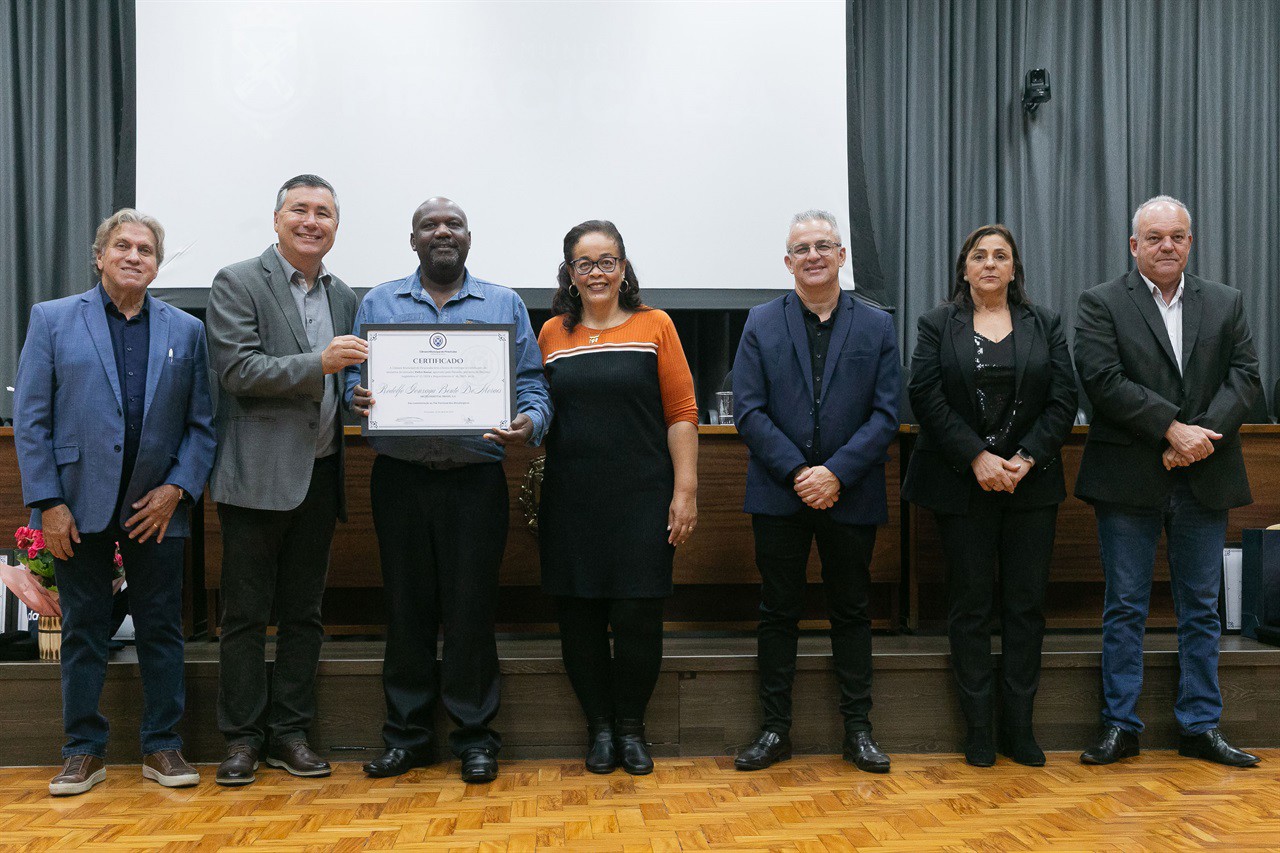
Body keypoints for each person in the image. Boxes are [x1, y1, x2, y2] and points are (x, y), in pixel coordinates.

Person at [348, 197, 552, 784]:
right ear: (413, 239)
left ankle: (475, 739)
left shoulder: (503, 303)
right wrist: (353, 400)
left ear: (469, 237)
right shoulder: (379, 303)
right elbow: (356, 387)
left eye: (453, 225)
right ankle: (407, 738)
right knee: (406, 611)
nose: (443, 232)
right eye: (430, 225)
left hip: (475, 481)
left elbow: (533, 384)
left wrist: (528, 423)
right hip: (400, 480)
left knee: (470, 611)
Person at [13, 209, 216, 795]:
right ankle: (82, 750)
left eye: (146, 249)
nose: (134, 256)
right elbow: (32, 421)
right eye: (122, 246)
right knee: (83, 629)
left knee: (160, 629)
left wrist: (176, 490)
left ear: (157, 264)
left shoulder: (186, 330)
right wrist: (48, 502)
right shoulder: (52, 320)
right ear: (99, 257)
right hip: (75, 508)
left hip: (157, 511)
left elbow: (202, 426)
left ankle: (163, 747)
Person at [1074, 195, 1262, 768]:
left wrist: (1196, 437)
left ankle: (1200, 725)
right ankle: (1119, 726)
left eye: (1177, 236)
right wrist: (1171, 431)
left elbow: (1245, 377)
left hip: (1205, 471)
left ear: (1191, 242)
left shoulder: (1225, 302)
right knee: (1125, 604)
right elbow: (1102, 380)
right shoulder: (1101, 303)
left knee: (1202, 606)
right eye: (1154, 237)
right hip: (1129, 475)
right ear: (1134, 246)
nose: (1167, 246)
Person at [205, 174, 365, 786]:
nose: (311, 221)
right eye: (299, 210)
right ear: (276, 220)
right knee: (245, 615)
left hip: (321, 475)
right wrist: (319, 364)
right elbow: (238, 370)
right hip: (255, 479)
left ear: (334, 227)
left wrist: (366, 397)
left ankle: (290, 733)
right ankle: (241, 739)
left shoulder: (345, 295)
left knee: (304, 613)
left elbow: (343, 382)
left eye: (324, 213)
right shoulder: (238, 281)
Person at [731, 210, 900, 773]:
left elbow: (885, 414)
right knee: (777, 612)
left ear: (842, 255)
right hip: (780, 495)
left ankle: (859, 731)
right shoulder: (760, 322)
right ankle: (775, 730)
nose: (813, 256)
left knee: (852, 612)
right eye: (801, 248)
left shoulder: (877, 326)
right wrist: (800, 474)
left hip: (850, 493)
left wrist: (836, 473)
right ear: (787, 261)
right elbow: (749, 411)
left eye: (823, 245)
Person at [901, 225, 1076, 767]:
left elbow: (1064, 397)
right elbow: (924, 395)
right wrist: (977, 456)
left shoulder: (1043, 323)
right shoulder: (937, 324)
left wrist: (1023, 459)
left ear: (1015, 268)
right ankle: (979, 730)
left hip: (1031, 484)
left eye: (1001, 256)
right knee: (971, 608)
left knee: (1025, 608)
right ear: (964, 268)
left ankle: (1018, 730)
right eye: (979, 256)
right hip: (962, 484)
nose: (990, 264)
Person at [536, 220, 698, 775]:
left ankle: (631, 729)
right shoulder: (552, 335)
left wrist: (685, 492)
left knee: (636, 618)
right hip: (571, 501)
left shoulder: (657, 325)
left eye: (608, 261)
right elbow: (538, 407)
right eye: (585, 263)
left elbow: (681, 415)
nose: (597, 272)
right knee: (578, 619)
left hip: (642, 499)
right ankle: (599, 730)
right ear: (571, 274)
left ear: (624, 268)